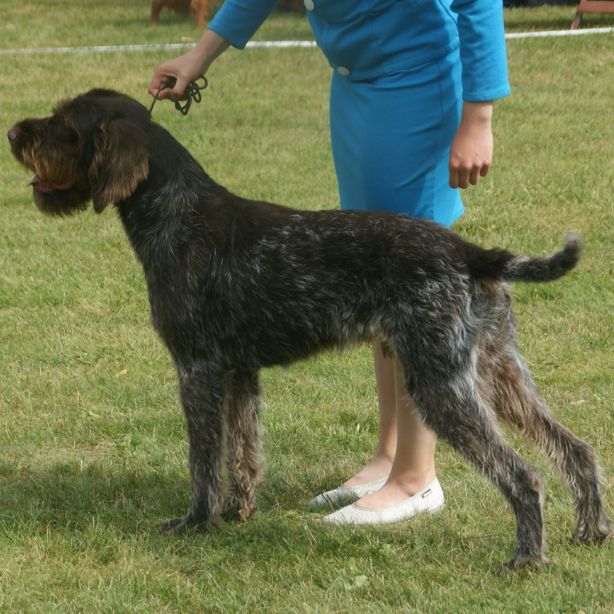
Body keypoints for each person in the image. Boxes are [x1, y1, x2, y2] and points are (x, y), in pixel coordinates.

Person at [149, 0, 510, 525]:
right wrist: (201, 55)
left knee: (406, 285)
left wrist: (478, 117)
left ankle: (416, 477)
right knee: (374, 280)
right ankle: (389, 457)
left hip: (414, 84)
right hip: (358, 87)